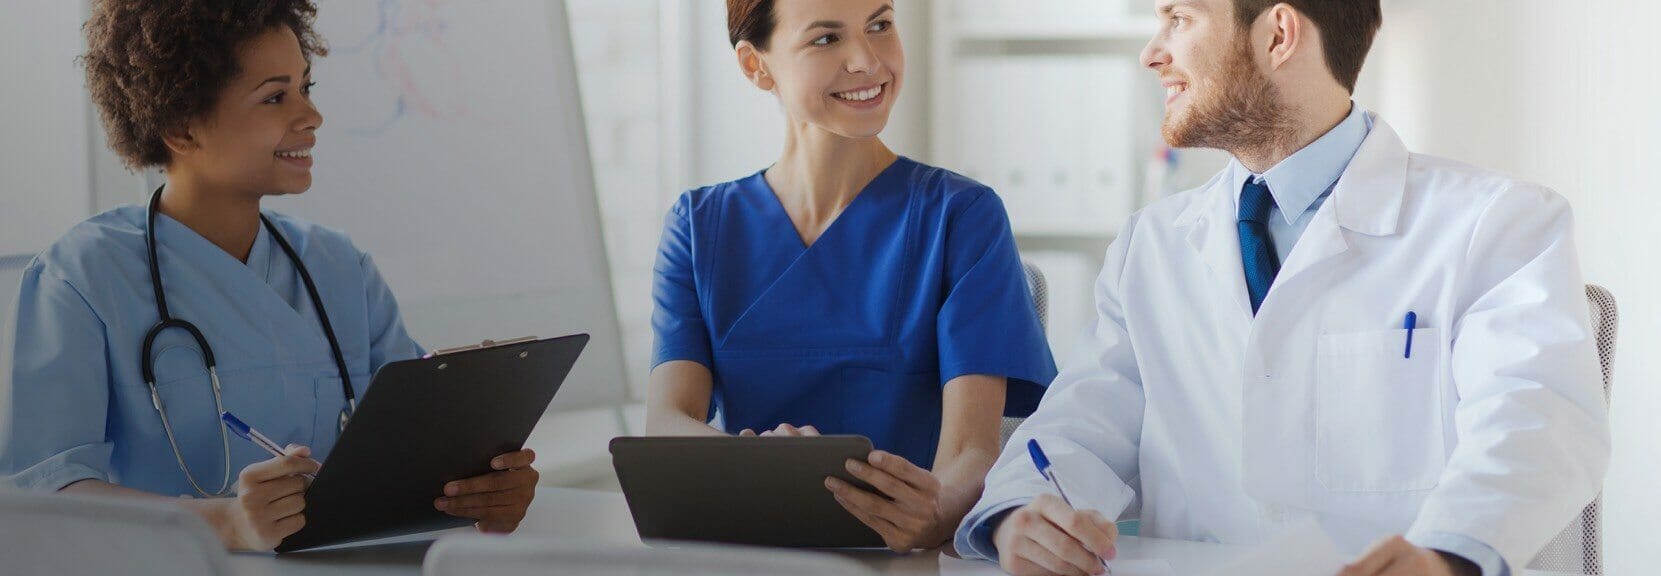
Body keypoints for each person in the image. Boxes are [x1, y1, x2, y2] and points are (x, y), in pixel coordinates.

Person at [953, 1, 1609, 575]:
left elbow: (1534, 418)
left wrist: (1446, 553)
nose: (1152, 54)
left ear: (1277, 36)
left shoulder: (1493, 223)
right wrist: (1018, 516)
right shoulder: (1150, 244)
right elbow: (1079, 424)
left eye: (1178, 19)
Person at [0, 0, 538, 551]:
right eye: (276, 96)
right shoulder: (82, 277)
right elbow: (47, 493)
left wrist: (479, 487)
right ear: (181, 125)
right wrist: (224, 524)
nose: (311, 116)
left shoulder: (339, 267)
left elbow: (413, 444)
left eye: (307, 88)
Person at [646, 0, 1058, 552]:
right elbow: (667, 422)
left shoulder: (961, 216)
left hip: (902, 559)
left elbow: (971, 454)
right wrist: (764, 467)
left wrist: (936, 513)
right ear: (755, 65)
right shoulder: (699, 227)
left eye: (880, 26)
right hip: (755, 553)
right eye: (825, 39)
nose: (867, 61)